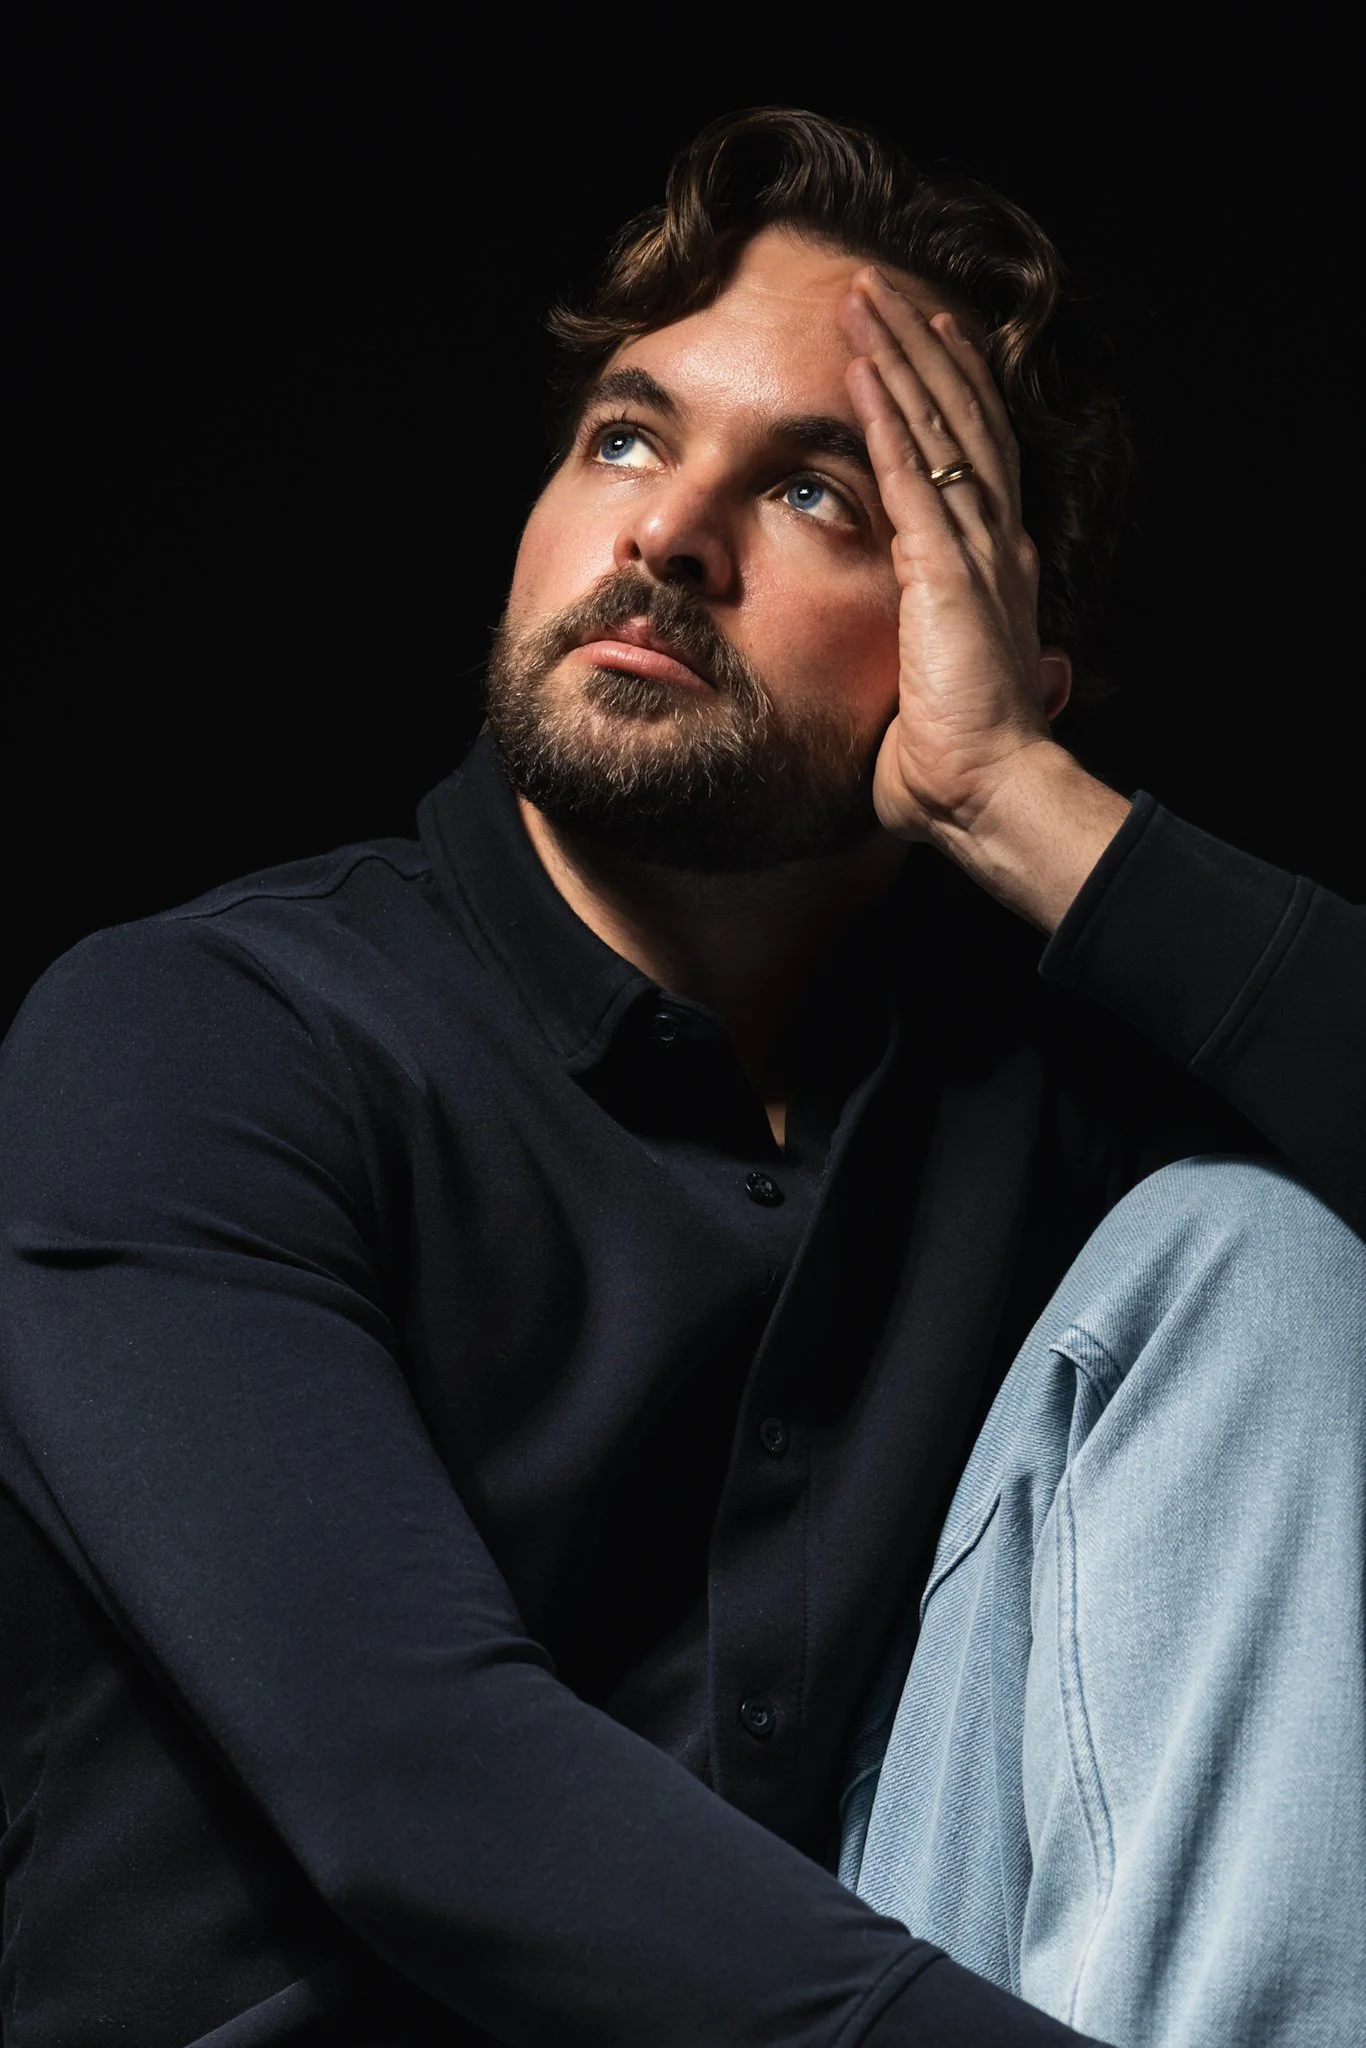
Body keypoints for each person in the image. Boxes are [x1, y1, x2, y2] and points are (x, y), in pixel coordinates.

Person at [0, 104, 1361, 2048]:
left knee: (1253, 1257)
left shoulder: (1022, 1102)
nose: (663, 534)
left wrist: (1024, 806)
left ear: (985, 644)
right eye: (625, 436)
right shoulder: (195, 1034)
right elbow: (416, 1784)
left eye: (820, 493)